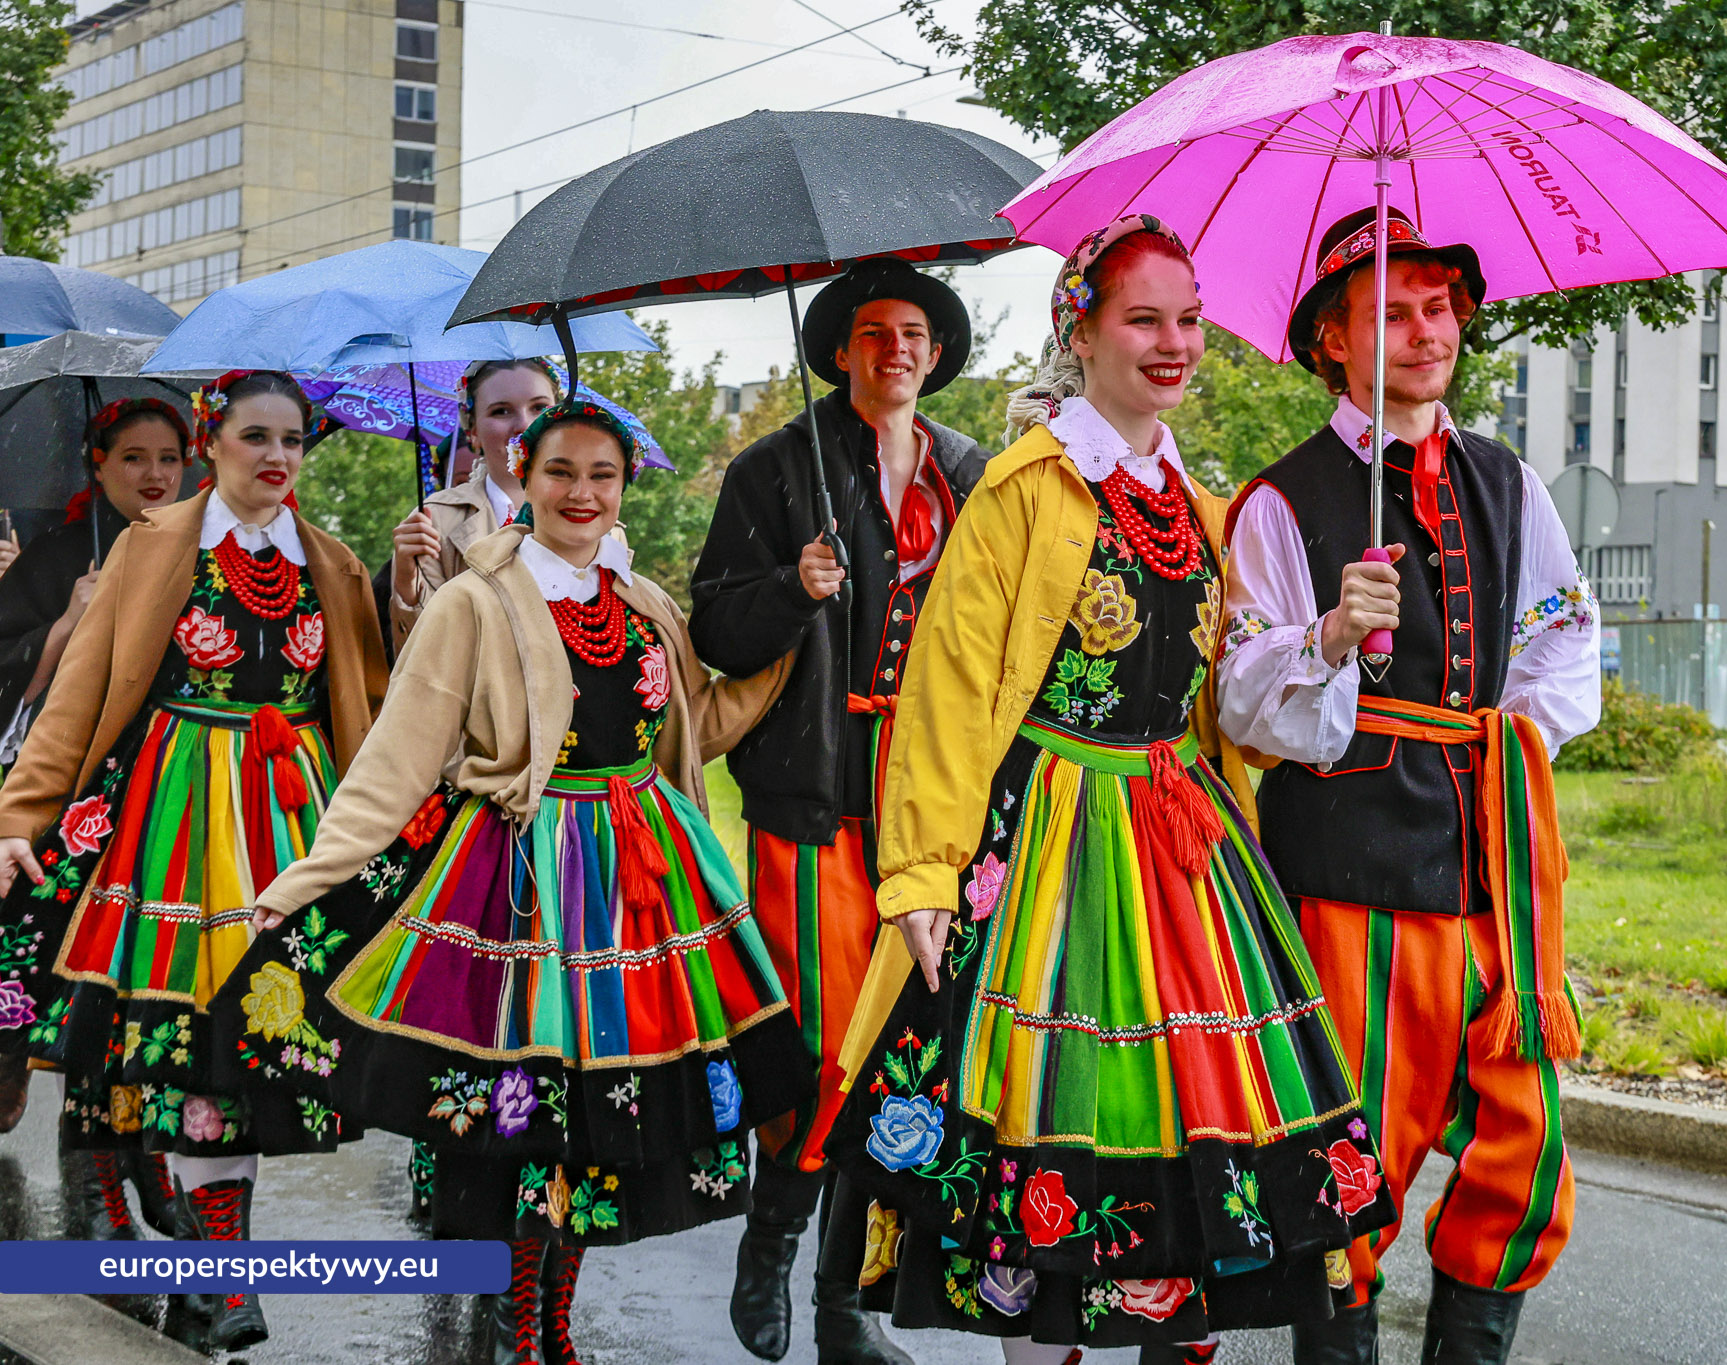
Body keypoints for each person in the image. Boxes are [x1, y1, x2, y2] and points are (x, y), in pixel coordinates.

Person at [823, 217, 1390, 1365]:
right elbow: (945, 694)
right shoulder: (1023, 492)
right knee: (1043, 1165)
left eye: (1187, 318)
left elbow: (1219, 696)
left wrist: (1326, 634)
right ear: (1076, 332)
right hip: (1047, 845)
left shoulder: (1196, 504)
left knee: (1188, 1161)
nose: (1174, 342)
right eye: (1143, 318)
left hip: (1180, 851)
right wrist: (923, 875)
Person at [213, 399, 808, 1365]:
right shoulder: (474, 600)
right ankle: (516, 1321)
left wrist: (794, 612)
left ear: (625, 488)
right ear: (522, 476)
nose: (581, 492)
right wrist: (302, 884)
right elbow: (397, 761)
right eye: (561, 471)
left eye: (602, 475)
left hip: (636, 887)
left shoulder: (643, 602)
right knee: (524, 1113)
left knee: (602, 1119)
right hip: (518, 878)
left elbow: (700, 721)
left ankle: (551, 1322)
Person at [1214, 206, 1601, 1365]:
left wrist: (1494, 746)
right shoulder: (1281, 500)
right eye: (1388, 313)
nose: (1423, 332)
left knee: (1521, 1154)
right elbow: (1240, 701)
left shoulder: (1507, 481)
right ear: (1330, 339)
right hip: (1349, 872)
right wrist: (1332, 635)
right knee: (1353, 1161)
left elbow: (1559, 635)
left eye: (1436, 309)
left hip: (1492, 869)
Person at [0, 371, 388, 1354]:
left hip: (288, 824)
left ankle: (215, 1267)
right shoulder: (156, 544)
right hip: (169, 820)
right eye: (255, 436)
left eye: (293, 440)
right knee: (190, 1049)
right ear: (213, 442)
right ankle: (216, 1274)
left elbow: (377, 724)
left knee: (248, 1055)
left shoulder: (332, 565)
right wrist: (20, 813)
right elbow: (80, 698)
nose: (276, 457)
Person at [690, 257, 993, 1365]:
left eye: (914, 330)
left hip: (934, 802)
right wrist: (791, 588)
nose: (897, 348)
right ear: (839, 351)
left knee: (902, 1055)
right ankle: (769, 1245)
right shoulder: (775, 469)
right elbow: (715, 629)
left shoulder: (973, 472)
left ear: (937, 350)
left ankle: (844, 1310)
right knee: (823, 1045)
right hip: (812, 795)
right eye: (873, 332)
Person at [0, 398, 194, 1237]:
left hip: (164, 794)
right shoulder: (51, 559)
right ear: (98, 464)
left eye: (169, 457)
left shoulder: (203, 547)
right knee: (56, 967)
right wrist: (70, 620)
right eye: (133, 458)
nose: (154, 475)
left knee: (135, 985)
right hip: (64, 790)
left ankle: (122, 1168)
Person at [386, 358, 558, 655]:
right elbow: (424, 658)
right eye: (501, 411)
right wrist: (407, 584)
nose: (524, 425)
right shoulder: (434, 521)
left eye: (540, 408)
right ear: (472, 431)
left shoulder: (598, 519)